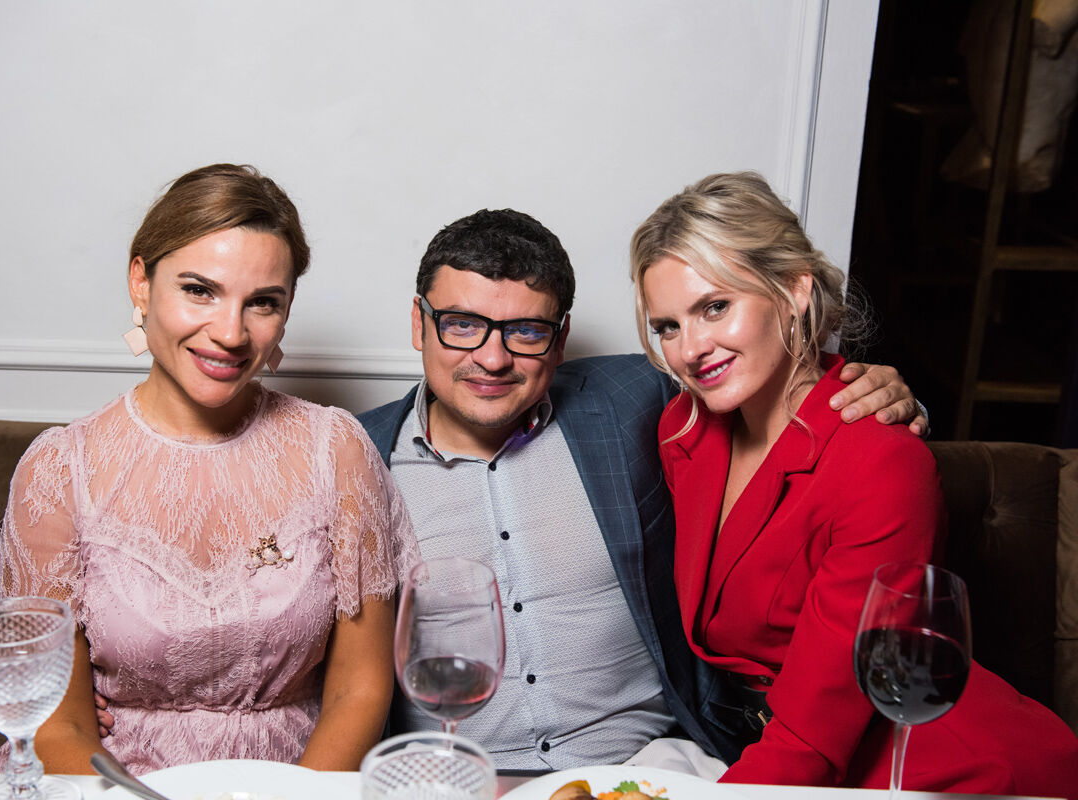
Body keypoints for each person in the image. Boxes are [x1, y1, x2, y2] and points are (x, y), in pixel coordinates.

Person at [357, 208, 926, 771]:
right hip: (451, 773)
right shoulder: (355, 457)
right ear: (419, 323)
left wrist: (891, 401)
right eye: (461, 324)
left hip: (643, 769)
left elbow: (781, 397)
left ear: (560, 340)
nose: (492, 358)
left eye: (527, 331)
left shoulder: (637, 402)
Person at [631, 170, 1078, 794]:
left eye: (715, 307)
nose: (690, 349)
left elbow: (816, 725)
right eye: (668, 326)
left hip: (924, 762)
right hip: (765, 742)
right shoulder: (685, 429)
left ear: (793, 290)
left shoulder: (881, 461)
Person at [0, 164, 418, 775]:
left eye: (262, 303)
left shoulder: (337, 449)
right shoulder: (60, 469)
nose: (230, 333)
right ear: (141, 283)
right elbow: (55, 725)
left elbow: (360, 691)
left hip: (297, 783)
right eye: (199, 290)